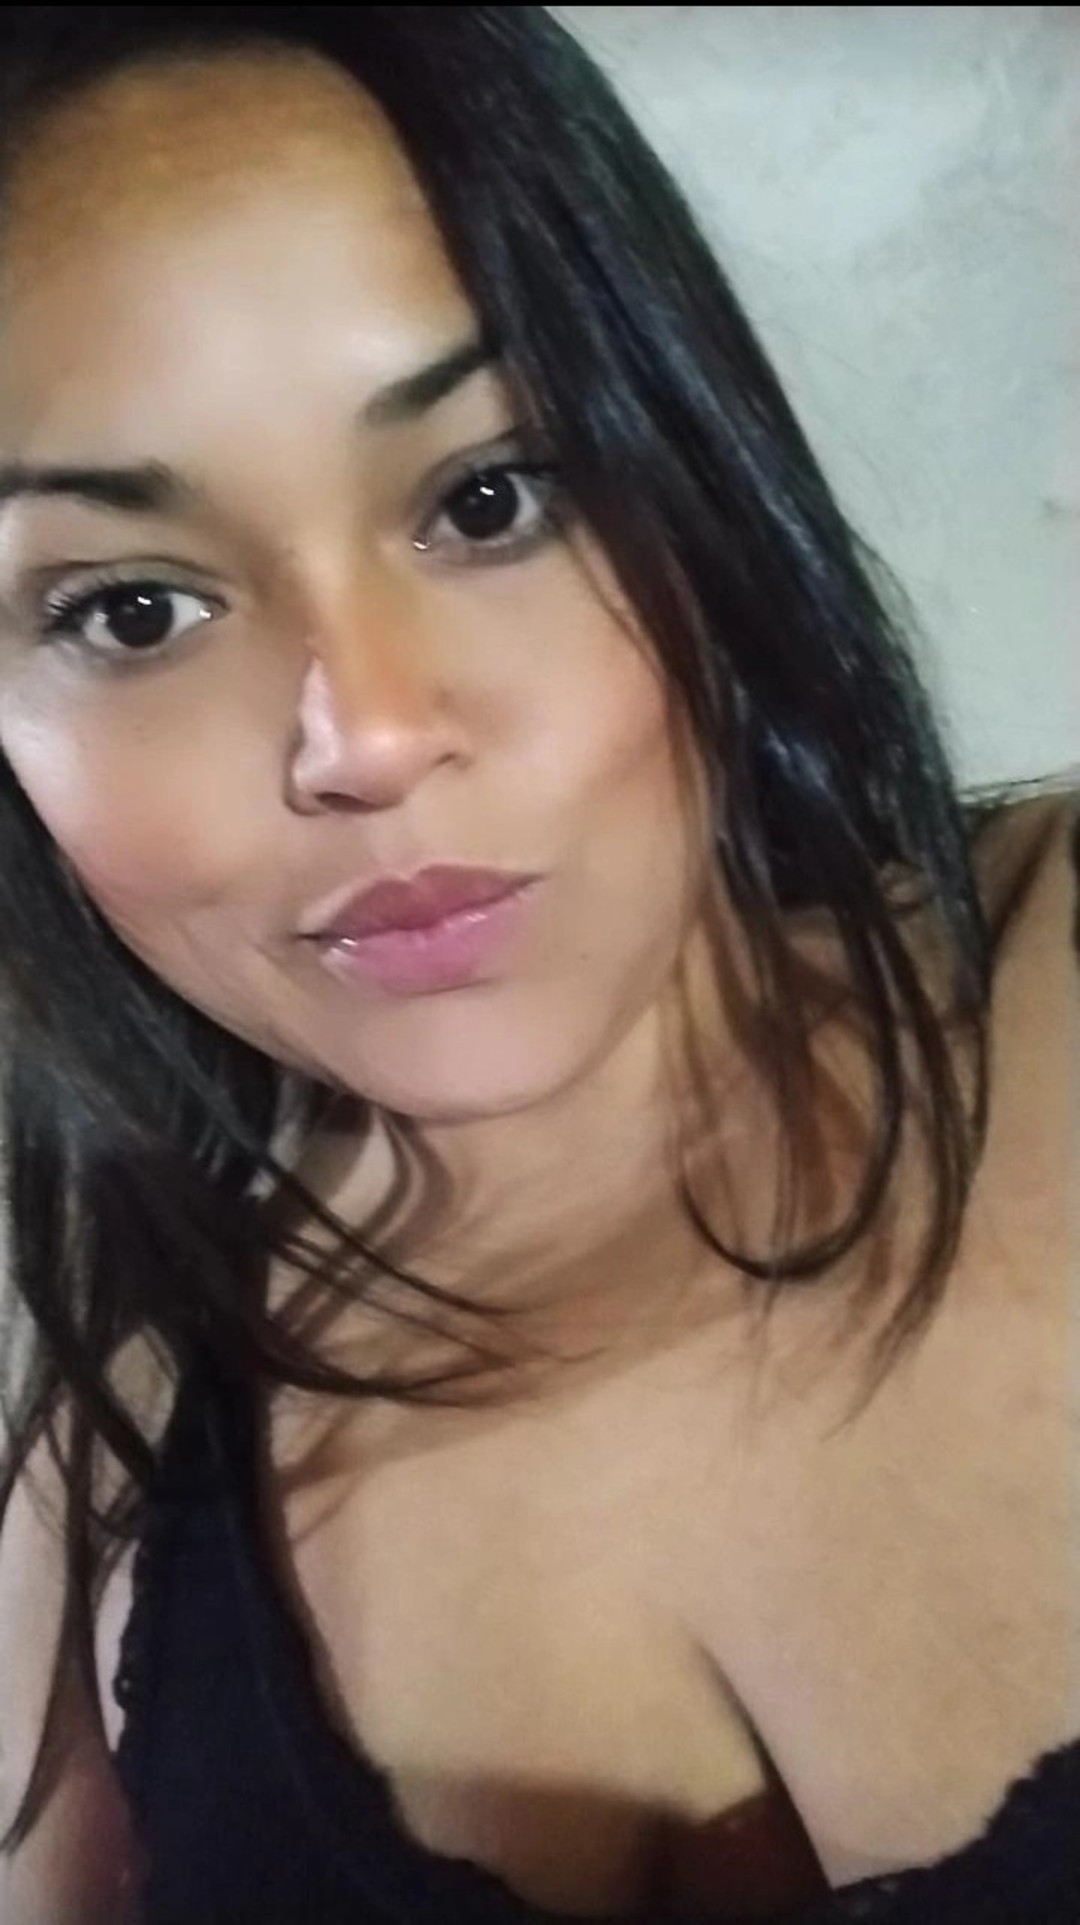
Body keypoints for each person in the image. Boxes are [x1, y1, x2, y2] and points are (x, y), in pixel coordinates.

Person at [0, 6, 1075, 1921]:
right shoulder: (105, 1425)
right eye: (135, 609)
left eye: (489, 497)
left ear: (691, 472)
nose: (367, 735)